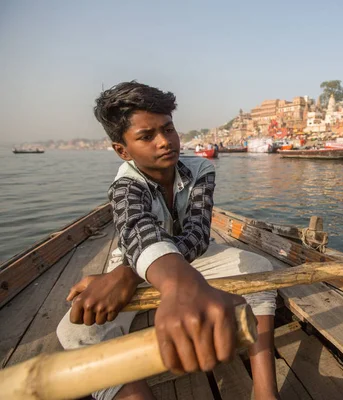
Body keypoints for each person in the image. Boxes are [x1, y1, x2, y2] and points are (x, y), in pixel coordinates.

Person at [56, 82, 279, 400]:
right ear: (123, 150)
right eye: (147, 136)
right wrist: (139, 271)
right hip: (141, 260)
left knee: (259, 268)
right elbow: (137, 230)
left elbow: (199, 236)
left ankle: (266, 392)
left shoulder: (201, 169)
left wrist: (129, 275)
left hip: (181, 261)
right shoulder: (126, 184)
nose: (165, 142)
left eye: (169, 129)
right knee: (74, 331)